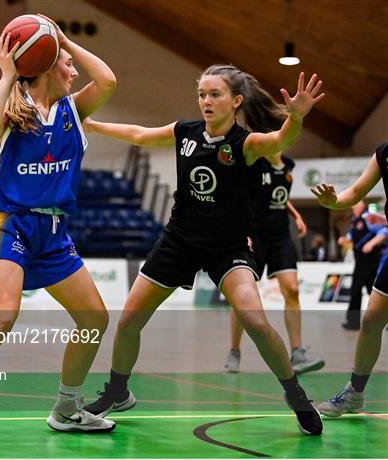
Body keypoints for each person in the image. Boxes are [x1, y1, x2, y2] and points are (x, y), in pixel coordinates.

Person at [83, 66, 325, 435]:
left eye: (215, 94)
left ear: (236, 101)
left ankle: (296, 395)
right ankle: (118, 390)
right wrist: (94, 125)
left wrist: (297, 116)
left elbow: (280, 140)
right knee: (129, 319)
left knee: (257, 322)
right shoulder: (186, 133)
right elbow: (139, 133)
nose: (206, 101)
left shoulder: (246, 143)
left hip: (227, 247)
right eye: (202, 94)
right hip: (180, 240)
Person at [0, 15, 117, 447]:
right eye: (68, 63)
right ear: (48, 65)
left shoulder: (73, 110)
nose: (75, 70)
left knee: (94, 318)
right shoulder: (15, 111)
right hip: (10, 224)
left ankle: (67, 408)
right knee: (2, 316)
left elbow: (107, 80)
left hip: (53, 231)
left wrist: (62, 38)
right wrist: (8, 73)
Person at [224, 153, 325, 374]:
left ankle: (297, 352)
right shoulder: (254, 162)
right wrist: (242, 231)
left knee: (292, 289)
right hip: (255, 235)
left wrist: (296, 215)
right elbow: (240, 196)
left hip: (280, 236)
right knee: (241, 297)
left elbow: (279, 197)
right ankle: (234, 350)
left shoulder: (288, 164)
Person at [312, 142, 388, 417]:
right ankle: (355, 394)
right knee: (371, 321)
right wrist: (334, 202)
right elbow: (356, 191)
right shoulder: (384, 154)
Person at [336, 200, 387, 330]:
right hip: (360, 261)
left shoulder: (368, 218)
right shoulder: (355, 221)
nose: (355, 207)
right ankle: (354, 321)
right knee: (372, 290)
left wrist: (371, 244)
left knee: (357, 290)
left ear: (362, 206)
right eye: (353, 205)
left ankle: (353, 322)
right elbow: (352, 236)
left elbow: (383, 232)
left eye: (357, 204)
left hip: (370, 260)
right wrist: (344, 240)